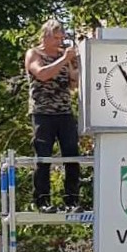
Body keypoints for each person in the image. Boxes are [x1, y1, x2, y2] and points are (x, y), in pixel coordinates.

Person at [25, 19, 82, 213]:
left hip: (64, 112)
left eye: (62, 38)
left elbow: (73, 84)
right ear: (46, 36)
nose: (59, 42)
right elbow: (41, 74)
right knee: (43, 157)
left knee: (72, 154)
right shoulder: (35, 54)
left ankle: (72, 200)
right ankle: (42, 200)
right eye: (56, 38)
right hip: (43, 113)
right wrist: (64, 59)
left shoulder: (64, 56)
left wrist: (75, 68)